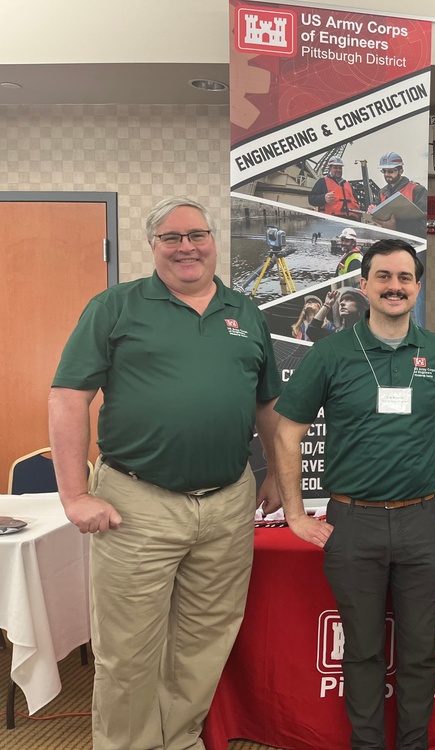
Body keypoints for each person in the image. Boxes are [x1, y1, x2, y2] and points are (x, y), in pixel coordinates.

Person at [48, 196, 282, 750]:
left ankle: (178, 741)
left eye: (196, 235)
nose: (187, 247)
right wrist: (75, 496)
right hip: (136, 503)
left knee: (203, 642)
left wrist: (275, 475)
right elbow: (67, 398)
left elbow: (267, 406)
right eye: (171, 238)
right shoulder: (115, 306)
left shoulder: (244, 312)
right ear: (152, 245)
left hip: (228, 503)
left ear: (213, 239)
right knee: (128, 651)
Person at [272, 238, 435, 750]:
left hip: (422, 522)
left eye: (404, 278)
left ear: (417, 287)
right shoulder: (331, 353)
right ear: (363, 286)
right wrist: (295, 514)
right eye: (383, 277)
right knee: (361, 652)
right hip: (352, 522)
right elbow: (287, 431)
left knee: (422, 651)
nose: (394, 287)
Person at [367, 152, 428, 237]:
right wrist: (372, 209)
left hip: (411, 243)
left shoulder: (417, 190)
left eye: (391, 171)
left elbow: (426, 225)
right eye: (384, 171)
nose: (386, 174)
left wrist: (396, 227)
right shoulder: (382, 193)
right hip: (389, 240)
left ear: (401, 171)